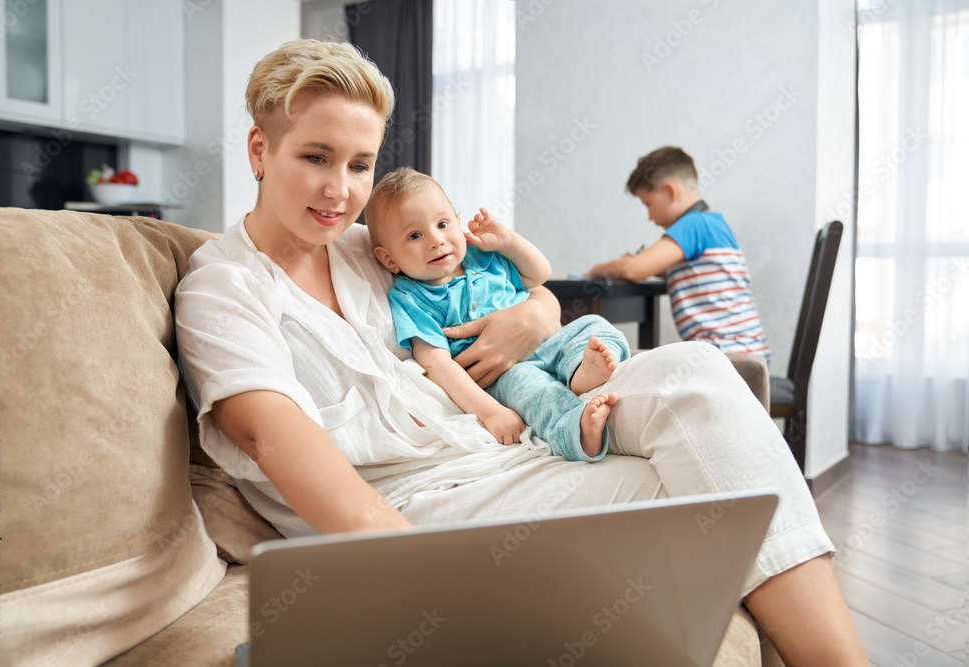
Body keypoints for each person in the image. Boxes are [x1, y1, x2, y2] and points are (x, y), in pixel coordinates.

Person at [174, 39, 869, 665]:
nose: (340, 190)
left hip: (503, 456)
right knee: (711, 494)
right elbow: (276, 441)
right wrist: (411, 582)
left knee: (697, 373)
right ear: (260, 150)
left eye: (360, 164)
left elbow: (526, 290)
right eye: (315, 158)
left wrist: (529, 317)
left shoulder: (373, 246)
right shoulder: (222, 290)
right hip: (416, 507)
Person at [364, 166, 628, 461]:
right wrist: (491, 413)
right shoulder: (411, 297)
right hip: (504, 374)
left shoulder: (484, 256)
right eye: (414, 235)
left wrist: (508, 242)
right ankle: (575, 433)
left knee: (594, 325)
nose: (436, 240)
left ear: (458, 222)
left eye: (442, 223)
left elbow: (539, 274)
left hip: (548, 340)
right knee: (534, 391)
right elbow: (437, 365)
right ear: (388, 259)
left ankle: (580, 372)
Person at [587, 146, 770, 359]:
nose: (649, 217)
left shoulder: (692, 224)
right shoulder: (711, 223)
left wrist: (597, 270)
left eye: (648, 204)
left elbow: (633, 270)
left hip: (730, 359)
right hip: (745, 354)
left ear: (670, 192)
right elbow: (684, 272)